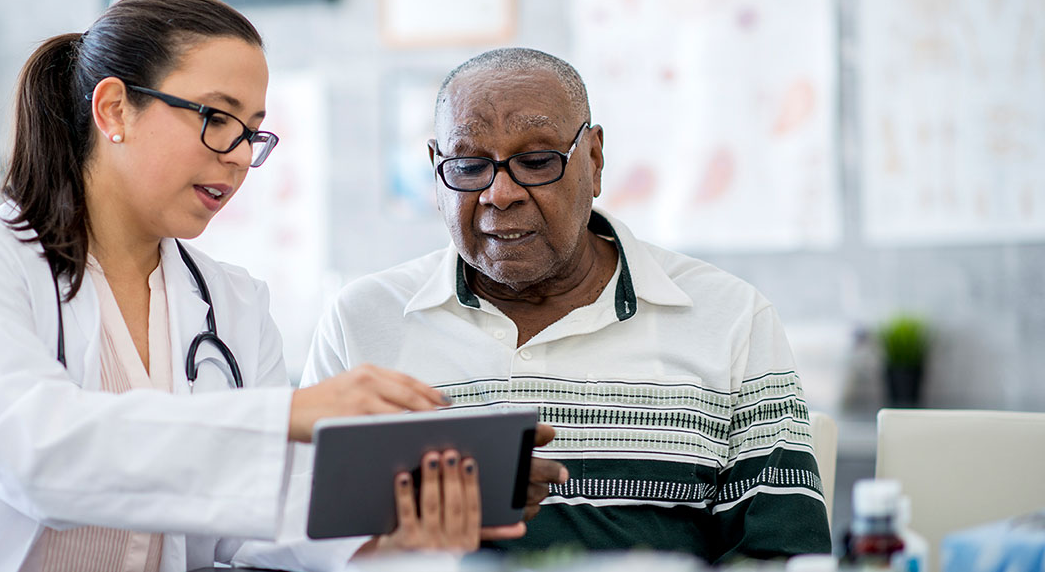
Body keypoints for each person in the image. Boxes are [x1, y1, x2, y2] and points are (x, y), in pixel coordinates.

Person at [0, 0, 524, 572]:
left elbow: (254, 512)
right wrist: (288, 414)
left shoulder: (232, 304)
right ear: (115, 109)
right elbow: (38, 454)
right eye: (216, 117)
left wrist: (387, 532)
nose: (239, 156)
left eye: (253, 133)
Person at [302, 47, 833, 563]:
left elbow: (782, 556)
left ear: (595, 160)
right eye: (468, 166)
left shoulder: (730, 318)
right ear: (436, 170)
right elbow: (297, 539)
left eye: (535, 162)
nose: (499, 193)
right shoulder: (361, 321)